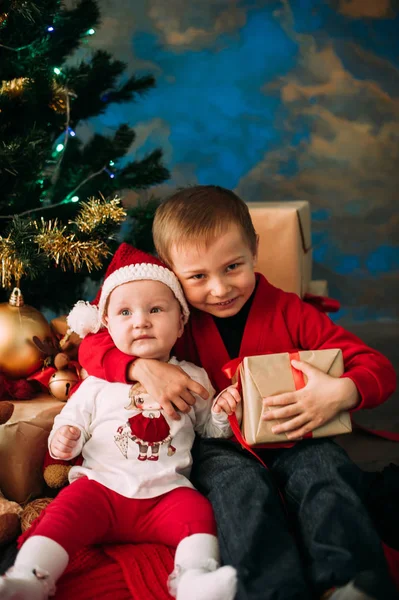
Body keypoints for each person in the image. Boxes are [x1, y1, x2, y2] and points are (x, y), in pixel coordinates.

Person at [78, 186, 397, 600]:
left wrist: (343, 393)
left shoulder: (289, 311)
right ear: (172, 275)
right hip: (213, 445)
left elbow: (378, 367)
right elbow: (94, 345)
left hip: (293, 432)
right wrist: (142, 366)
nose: (219, 288)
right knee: (238, 489)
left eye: (232, 267)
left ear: (254, 250)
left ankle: (352, 580)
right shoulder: (174, 319)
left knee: (325, 471)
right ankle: (268, 589)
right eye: (197, 277)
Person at [0, 245, 239, 600]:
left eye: (156, 309)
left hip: (166, 494)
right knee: (62, 514)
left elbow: (211, 431)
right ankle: (29, 577)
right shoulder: (97, 382)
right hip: (101, 490)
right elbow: (71, 423)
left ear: (180, 323)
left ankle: (193, 580)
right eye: (125, 312)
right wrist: (66, 439)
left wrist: (222, 410)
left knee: (199, 516)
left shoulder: (193, 376)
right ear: (107, 324)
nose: (141, 320)